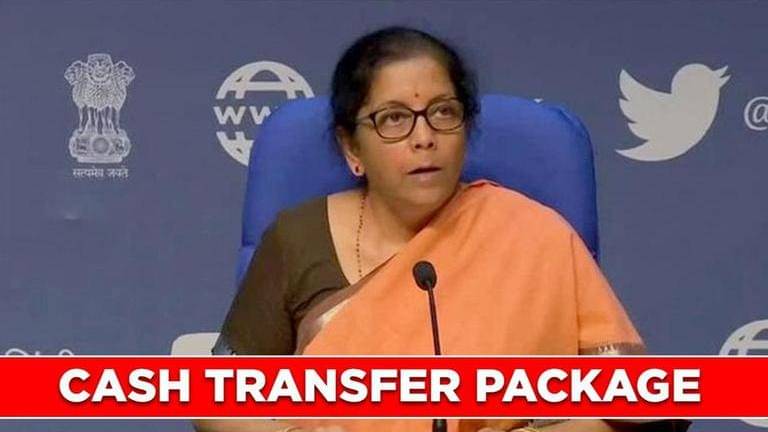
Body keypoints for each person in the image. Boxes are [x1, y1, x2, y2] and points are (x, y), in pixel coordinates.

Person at [195, 27, 688, 432]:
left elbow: (637, 402)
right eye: (394, 119)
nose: (424, 137)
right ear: (352, 148)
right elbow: (215, 403)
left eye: (443, 112)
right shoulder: (299, 238)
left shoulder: (536, 234)